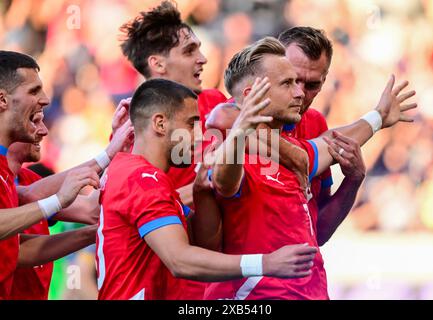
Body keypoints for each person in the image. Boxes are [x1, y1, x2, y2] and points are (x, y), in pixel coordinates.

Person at [200, 37, 416, 299]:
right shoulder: (227, 142)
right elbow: (224, 181)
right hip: (255, 297)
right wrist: (241, 129)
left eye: (311, 84)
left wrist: (377, 119)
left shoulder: (299, 145)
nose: (300, 93)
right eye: (288, 83)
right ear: (252, 95)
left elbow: (330, 148)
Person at [95, 78, 318, 300]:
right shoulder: (142, 179)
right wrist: (265, 263)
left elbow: (205, 243)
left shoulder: (137, 174)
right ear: (160, 124)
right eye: (191, 123)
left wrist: (201, 194)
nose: (199, 135)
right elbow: (179, 260)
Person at [0, 50, 100, 299]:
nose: (43, 130)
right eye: (34, 92)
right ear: (2, 100)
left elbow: (21, 249)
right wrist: (58, 200)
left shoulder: (20, 181)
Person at [119, 0, 228, 206]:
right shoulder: (131, 126)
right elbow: (142, 204)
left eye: (199, 49)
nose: (203, 59)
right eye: (189, 51)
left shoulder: (215, 101)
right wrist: (216, 176)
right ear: (158, 64)